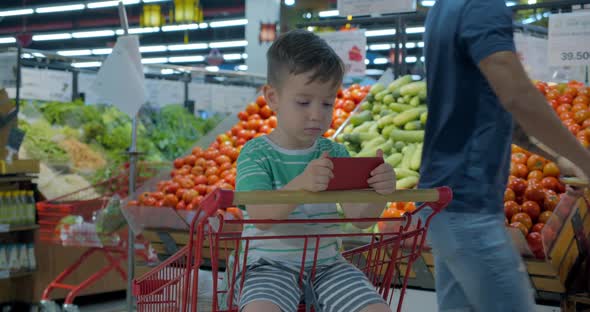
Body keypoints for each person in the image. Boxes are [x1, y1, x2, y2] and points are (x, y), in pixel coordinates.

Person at [420, 1, 590, 311]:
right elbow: (516, 95)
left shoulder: (442, 9)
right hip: (468, 204)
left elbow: (494, 109)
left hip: (440, 201)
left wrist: (556, 156)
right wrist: (585, 158)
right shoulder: (482, 5)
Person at [234, 29, 396, 312]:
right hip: (268, 267)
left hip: (329, 266)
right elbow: (260, 216)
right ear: (273, 97)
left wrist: (380, 191)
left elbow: (359, 218)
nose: (316, 114)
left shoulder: (335, 153)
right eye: (303, 102)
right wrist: (302, 185)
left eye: (327, 103)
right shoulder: (257, 154)